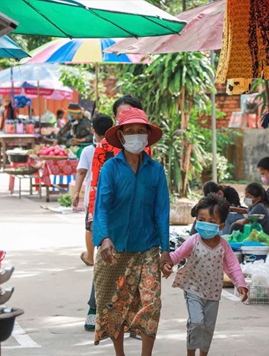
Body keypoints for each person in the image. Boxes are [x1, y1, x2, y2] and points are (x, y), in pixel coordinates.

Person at [93, 107, 170, 355]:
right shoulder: (110, 169)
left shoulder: (156, 170)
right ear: (122, 136)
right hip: (114, 248)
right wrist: (103, 238)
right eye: (130, 131)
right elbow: (101, 207)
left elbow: (162, 211)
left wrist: (166, 249)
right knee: (116, 305)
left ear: (147, 136)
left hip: (147, 247)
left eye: (140, 131)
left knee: (151, 304)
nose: (136, 135)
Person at [83, 95, 143, 332]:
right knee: (105, 264)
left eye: (131, 112)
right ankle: (94, 308)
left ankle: (134, 318)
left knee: (137, 267)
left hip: (137, 219)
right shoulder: (103, 148)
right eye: (121, 114)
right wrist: (93, 218)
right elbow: (96, 185)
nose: (126, 118)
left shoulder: (144, 146)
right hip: (110, 216)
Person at [162, 193, 248, 356]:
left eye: (211, 221)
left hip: (213, 293)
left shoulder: (223, 246)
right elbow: (177, 255)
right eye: (201, 220)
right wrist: (167, 264)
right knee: (196, 322)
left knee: (208, 327)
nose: (205, 225)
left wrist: (241, 284)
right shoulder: (193, 240)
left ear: (221, 226)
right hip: (193, 289)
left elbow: (233, 266)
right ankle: (190, 353)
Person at [72, 114, 114, 269]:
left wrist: (76, 193)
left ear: (92, 130)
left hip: (94, 196)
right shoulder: (118, 150)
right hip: (113, 197)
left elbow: (81, 172)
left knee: (90, 226)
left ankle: (90, 257)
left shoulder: (89, 151)